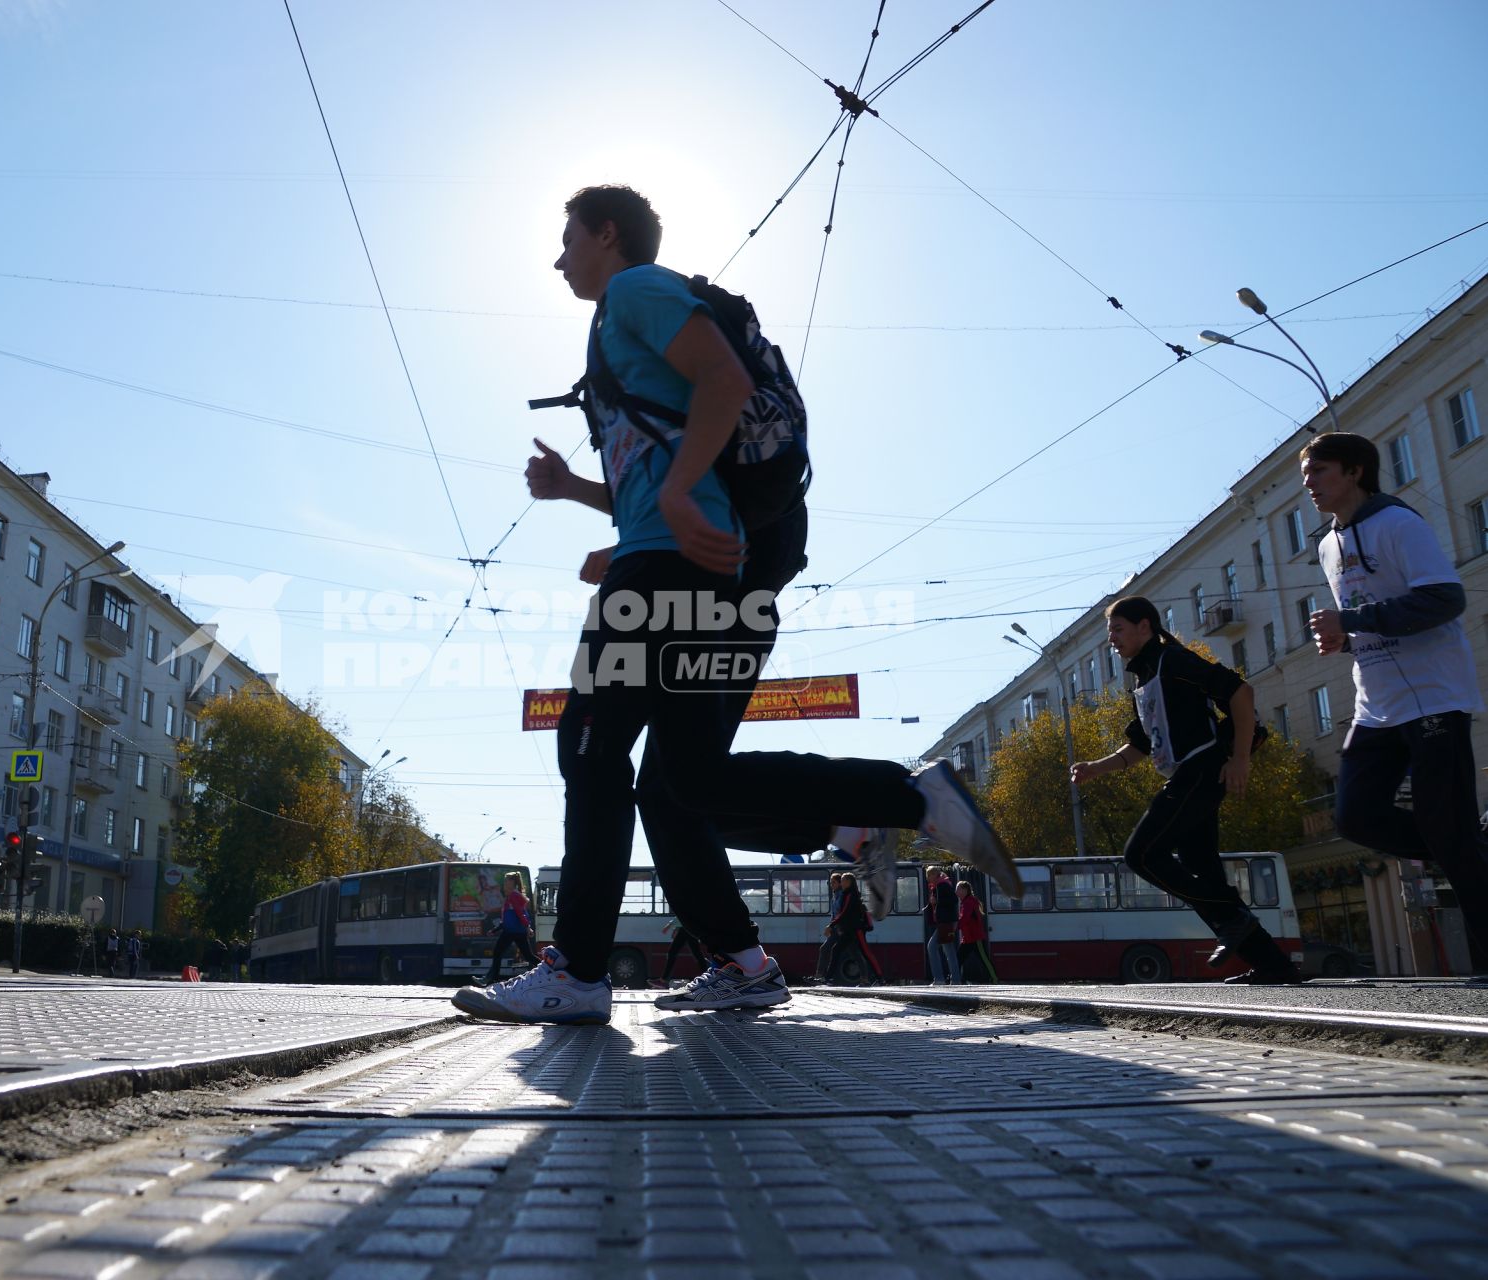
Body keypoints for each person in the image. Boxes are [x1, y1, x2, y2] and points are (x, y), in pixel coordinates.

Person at [454, 185, 1016, 1026]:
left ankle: (574, 970)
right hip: (692, 565)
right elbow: (669, 465)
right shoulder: (624, 317)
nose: (558, 255)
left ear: (607, 234)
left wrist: (676, 498)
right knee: (684, 781)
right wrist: (577, 489)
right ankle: (900, 805)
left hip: (666, 571)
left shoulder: (634, 292)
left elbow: (718, 378)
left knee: (591, 748)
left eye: (568, 237)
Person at [1302, 432, 1488, 975]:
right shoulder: (1326, 545)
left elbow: (1445, 598)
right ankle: (1467, 851)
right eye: (1308, 475)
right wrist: (1342, 638)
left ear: (1356, 471)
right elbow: (1363, 611)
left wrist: (1352, 621)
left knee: (1447, 828)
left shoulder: (1399, 523)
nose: (1310, 484)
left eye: (1320, 471)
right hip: (1375, 703)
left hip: (1433, 696)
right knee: (1355, 815)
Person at [1071, 595, 1300, 983]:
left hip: (1203, 770)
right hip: (1188, 773)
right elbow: (1142, 745)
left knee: (1141, 854)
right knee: (1200, 866)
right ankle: (1272, 964)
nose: (1112, 638)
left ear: (1145, 627)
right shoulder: (1145, 677)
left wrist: (1240, 758)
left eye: (1117, 628)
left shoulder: (1174, 661)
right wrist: (1097, 768)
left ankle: (1233, 917)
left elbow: (1240, 693)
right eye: (1110, 630)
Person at [485, 872, 539, 983]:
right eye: (505, 880)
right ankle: (549, 970)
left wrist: (528, 927)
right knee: (528, 956)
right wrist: (495, 930)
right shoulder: (513, 895)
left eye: (507, 880)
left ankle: (490, 978)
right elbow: (510, 917)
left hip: (512, 931)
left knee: (497, 952)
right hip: (516, 931)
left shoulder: (514, 895)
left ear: (513, 882)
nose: (505, 883)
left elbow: (520, 913)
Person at [923, 867, 961, 985]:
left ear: (934, 875)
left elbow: (954, 900)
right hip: (946, 922)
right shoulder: (941, 885)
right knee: (949, 951)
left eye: (929, 875)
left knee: (932, 946)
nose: (927, 878)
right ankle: (956, 980)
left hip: (946, 922)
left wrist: (937, 901)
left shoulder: (942, 885)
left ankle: (939, 979)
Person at [955, 881, 996, 983]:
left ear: (965, 890)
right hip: (968, 938)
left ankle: (994, 978)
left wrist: (954, 927)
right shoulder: (966, 901)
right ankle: (955, 978)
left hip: (975, 937)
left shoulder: (969, 902)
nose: (956, 891)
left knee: (984, 959)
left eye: (958, 889)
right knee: (958, 958)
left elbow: (965, 918)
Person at [661, 916, 709, 985]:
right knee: (697, 954)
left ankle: (663, 980)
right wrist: (676, 928)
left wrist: (669, 925)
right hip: (688, 927)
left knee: (673, 953)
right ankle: (707, 975)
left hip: (686, 928)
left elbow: (681, 915)